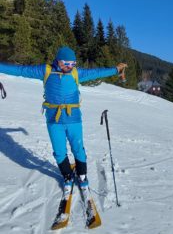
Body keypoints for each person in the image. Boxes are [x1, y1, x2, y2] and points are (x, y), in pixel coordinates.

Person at [0, 46, 127, 196]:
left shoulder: (76, 73)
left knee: (78, 148)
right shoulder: (45, 70)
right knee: (59, 152)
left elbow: (96, 73)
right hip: (54, 120)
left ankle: (82, 176)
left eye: (72, 64)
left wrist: (115, 70)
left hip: (74, 119)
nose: (69, 67)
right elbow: (21, 71)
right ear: (58, 61)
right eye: (66, 63)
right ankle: (67, 176)